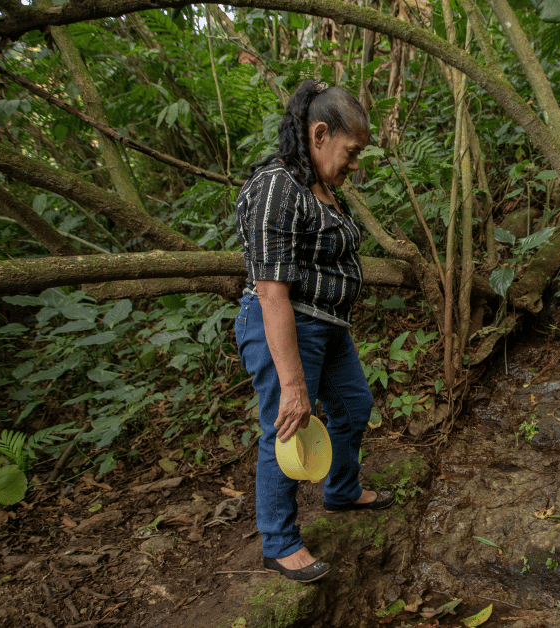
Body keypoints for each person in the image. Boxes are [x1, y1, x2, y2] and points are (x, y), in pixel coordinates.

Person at [234, 80, 394, 583]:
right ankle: (279, 542)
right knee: (284, 422)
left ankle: (341, 490)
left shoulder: (318, 186)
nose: (355, 164)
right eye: (351, 152)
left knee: (353, 406)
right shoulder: (277, 185)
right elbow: (272, 292)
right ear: (319, 133)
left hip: (327, 325)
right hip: (284, 323)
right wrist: (295, 384)